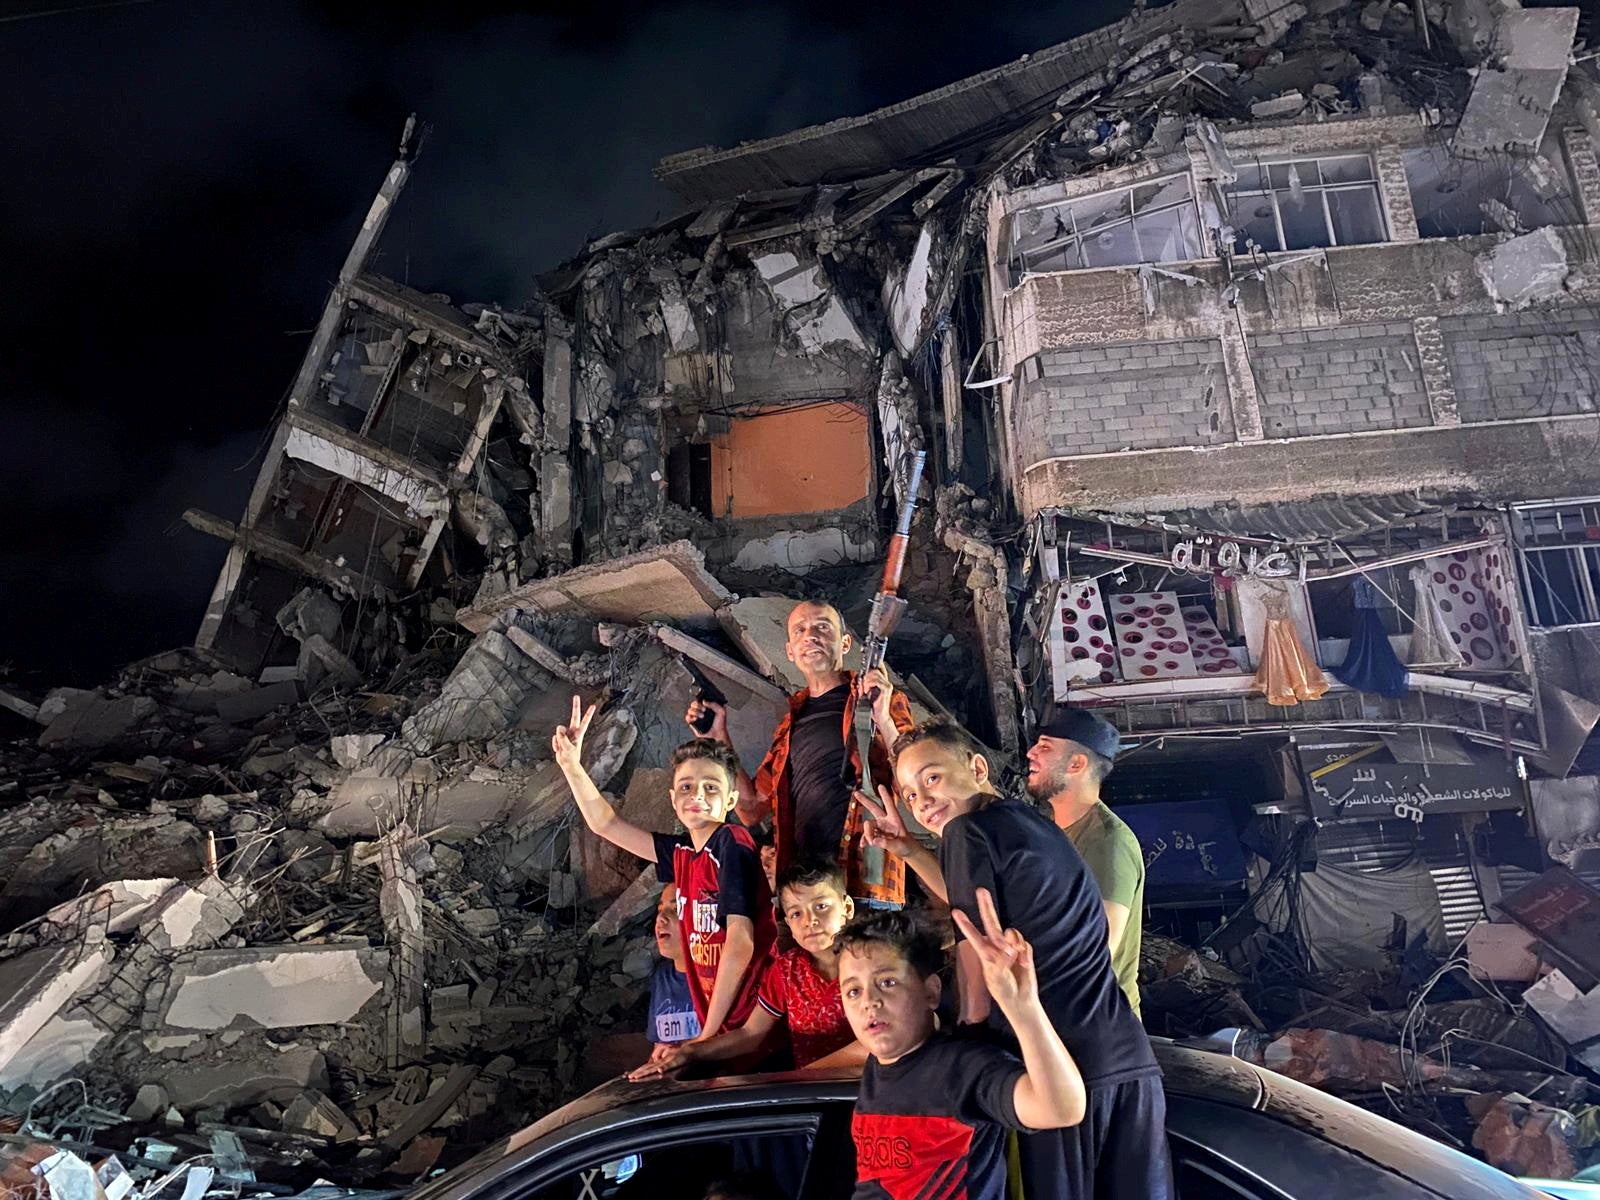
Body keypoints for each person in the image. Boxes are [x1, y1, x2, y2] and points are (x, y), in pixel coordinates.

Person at [859, 718, 1172, 1200]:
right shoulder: (1029, 825)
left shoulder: (966, 833)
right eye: (910, 793)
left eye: (932, 778)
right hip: (1125, 1059)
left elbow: (976, 976)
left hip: (1060, 1069)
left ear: (977, 766)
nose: (921, 800)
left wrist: (956, 1068)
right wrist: (907, 849)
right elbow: (979, 907)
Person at [554, 697, 775, 1043]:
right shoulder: (684, 854)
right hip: (721, 1025)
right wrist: (572, 767)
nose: (696, 795)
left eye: (711, 787)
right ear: (673, 799)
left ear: (731, 801)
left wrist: (706, 1036)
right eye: (686, 787)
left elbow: (741, 942)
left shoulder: (732, 842)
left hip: (746, 1023)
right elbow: (606, 824)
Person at [839, 896, 1086, 1200]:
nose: (868, 1002)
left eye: (887, 982)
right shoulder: (877, 1069)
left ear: (931, 991)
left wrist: (1024, 1009)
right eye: (853, 991)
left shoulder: (962, 1068)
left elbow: (1061, 1109)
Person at [685, 600, 914, 908]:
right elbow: (752, 807)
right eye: (800, 630)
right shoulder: (791, 721)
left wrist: (883, 718)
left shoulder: (879, 700)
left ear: (845, 643)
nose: (811, 636)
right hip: (804, 890)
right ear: (790, 651)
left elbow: (914, 783)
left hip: (867, 879)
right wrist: (718, 737)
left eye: (822, 627)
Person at [630, 860, 865, 1080]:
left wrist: (802, 1075)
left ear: (847, 907)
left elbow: (879, 1042)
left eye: (821, 906)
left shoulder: (870, 961)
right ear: (788, 924)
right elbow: (751, 1034)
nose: (809, 920)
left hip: (868, 1089)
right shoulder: (786, 971)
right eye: (796, 913)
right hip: (810, 1097)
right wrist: (689, 1051)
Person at [1024, 707, 1146, 1016]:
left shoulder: (1109, 842)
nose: (1030, 753)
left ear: (1077, 763)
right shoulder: (1048, 831)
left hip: (1099, 1026)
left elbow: (1097, 952)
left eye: (1045, 747)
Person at [646, 884, 702, 1050]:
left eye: (676, 910)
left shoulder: (717, 978)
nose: (660, 919)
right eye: (660, 910)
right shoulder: (662, 978)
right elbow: (660, 1046)